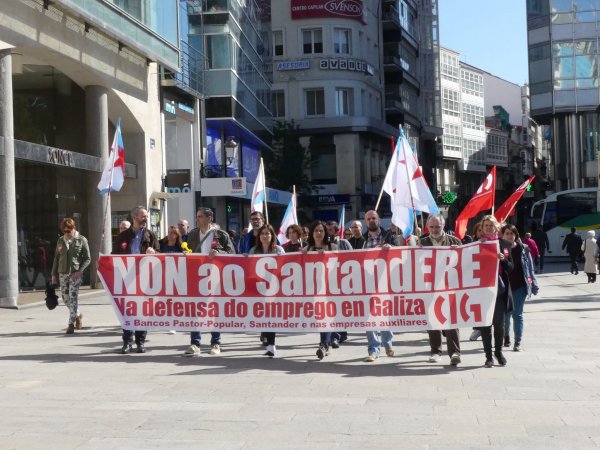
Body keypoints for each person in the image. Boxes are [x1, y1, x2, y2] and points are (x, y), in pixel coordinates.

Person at [184, 207, 235, 356]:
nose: (197, 219)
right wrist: (186, 254)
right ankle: (195, 343)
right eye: (197, 216)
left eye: (200, 216)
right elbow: (189, 250)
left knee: (214, 310)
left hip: (215, 277)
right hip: (196, 276)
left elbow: (232, 253)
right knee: (195, 310)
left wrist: (219, 252)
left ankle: (215, 343)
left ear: (209, 218)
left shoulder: (221, 234)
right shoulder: (193, 234)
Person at [113, 206, 160, 353]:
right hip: (127, 278)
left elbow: (160, 254)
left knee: (142, 311)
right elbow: (114, 255)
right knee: (127, 311)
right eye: (143, 216)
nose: (146, 218)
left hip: (145, 278)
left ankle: (140, 342)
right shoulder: (123, 236)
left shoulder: (151, 235)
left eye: (146, 216)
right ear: (134, 217)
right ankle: (127, 342)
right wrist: (102, 262)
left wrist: (154, 252)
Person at [419, 214, 462, 366]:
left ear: (443, 226)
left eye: (437, 226)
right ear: (427, 227)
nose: (434, 229)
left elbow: (465, 263)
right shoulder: (421, 243)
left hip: (450, 287)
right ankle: (436, 351)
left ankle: (455, 353)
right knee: (432, 320)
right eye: (431, 227)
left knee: (451, 321)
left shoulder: (455, 241)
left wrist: (459, 253)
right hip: (430, 288)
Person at [475, 215, 513, 368]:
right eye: (486, 225)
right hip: (482, 290)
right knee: (485, 325)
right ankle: (488, 357)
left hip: (499, 291)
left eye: (491, 225)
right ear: (482, 228)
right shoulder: (477, 244)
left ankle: (498, 352)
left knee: (499, 324)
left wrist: (503, 259)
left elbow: (511, 268)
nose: (489, 228)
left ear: (497, 227)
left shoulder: (504, 244)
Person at [362, 210, 399, 362]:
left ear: (379, 220)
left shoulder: (389, 236)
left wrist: (391, 248)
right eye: (368, 219)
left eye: (374, 218)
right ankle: (373, 349)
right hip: (366, 283)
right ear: (366, 222)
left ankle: (387, 343)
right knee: (369, 317)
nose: (371, 220)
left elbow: (400, 254)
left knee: (384, 313)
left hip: (385, 282)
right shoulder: (361, 240)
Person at [302, 220, 340, 360]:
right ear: (312, 233)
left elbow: (340, 263)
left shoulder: (332, 246)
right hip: (313, 289)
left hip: (329, 288)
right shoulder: (307, 249)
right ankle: (327, 343)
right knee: (320, 317)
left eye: (321, 230)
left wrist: (328, 255)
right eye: (316, 230)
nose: (319, 233)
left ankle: (323, 345)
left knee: (326, 316)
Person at [501, 224, 539, 352]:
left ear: (516, 235)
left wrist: (533, 283)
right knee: (506, 314)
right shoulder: (500, 248)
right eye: (507, 233)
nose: (509, 236)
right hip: (505, 286)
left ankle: (517, 341)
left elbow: (530, 268)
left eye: (512, 233)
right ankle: (506, 336)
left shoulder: (523, 248)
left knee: (517, 314)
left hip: (520, 286)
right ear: (503, 235)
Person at [249, 224, 285, 357]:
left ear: (272, 235)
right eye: (263, 233)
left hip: (274, 288)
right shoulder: (254, 250)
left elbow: (286, 266)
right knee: (263, 315)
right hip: (258, 287)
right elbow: (249, 267)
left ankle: (271, 344)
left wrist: (282, 259)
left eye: (268, 233)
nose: (265, 236)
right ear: (259, 236)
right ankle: (267, 338)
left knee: (270, 315)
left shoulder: (278, 249)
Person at [51, 218, 91, 334]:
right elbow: (56, 258)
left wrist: (80, 271)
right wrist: (53, 274)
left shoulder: (81, 240)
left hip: (75, 274)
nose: (67, 233)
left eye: (69, 231)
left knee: (73, 298)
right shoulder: (60, 240)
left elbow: (88, 259)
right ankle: (78, 315)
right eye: (64, 231)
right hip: (62, 273)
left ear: (74, 228)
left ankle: (70, 324)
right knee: (65, 298)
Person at [469, 221, 484, 342]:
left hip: (488, 282)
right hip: (474, 281)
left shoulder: (494, 244)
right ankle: (477, 329)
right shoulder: (470, 246)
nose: (482, 232)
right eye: (479, 230)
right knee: (477, 308)